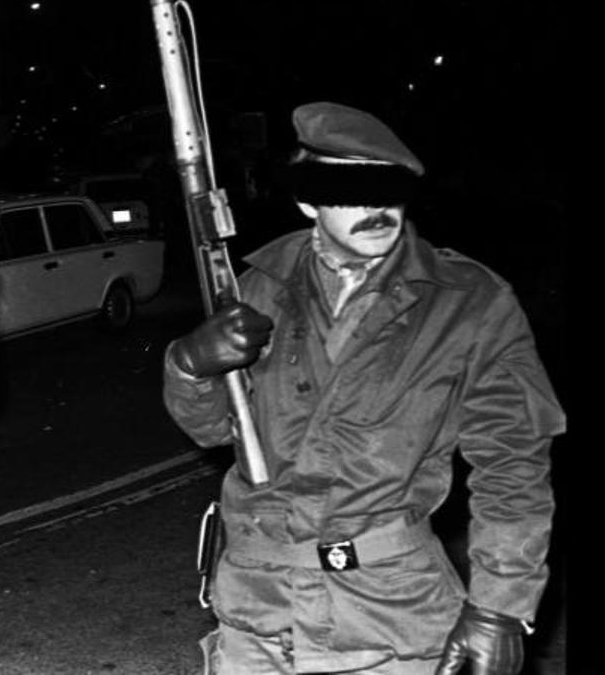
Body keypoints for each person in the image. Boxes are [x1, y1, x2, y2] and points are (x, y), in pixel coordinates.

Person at [162, 102, 565, 674]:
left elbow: (513, 466)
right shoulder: (258, 288)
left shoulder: (469, 304)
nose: (375, 209)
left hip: (385, 619)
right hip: (256, 613)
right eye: (348, 191)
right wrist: (188, 366)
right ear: (308, 202)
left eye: (386, 189)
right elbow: (211, 431)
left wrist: (499, 608)